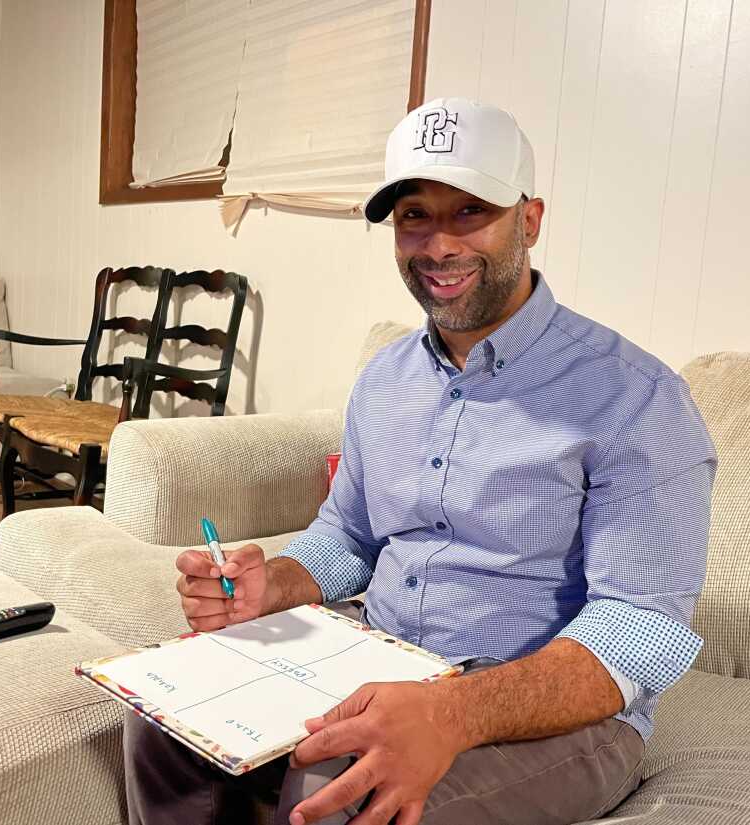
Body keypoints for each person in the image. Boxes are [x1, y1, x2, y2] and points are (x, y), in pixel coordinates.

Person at [125, 97, 717, 825]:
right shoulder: (386, 377)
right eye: (414, 216)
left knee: (339, 792)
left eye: (471, 211)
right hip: (384, 656)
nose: (438, 245)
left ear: (529, 220)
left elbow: (638, 632)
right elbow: (347, 538)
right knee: (165, 718)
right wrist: (268, 585)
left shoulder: (635, 397)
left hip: (556, 717)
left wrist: (450, 713)